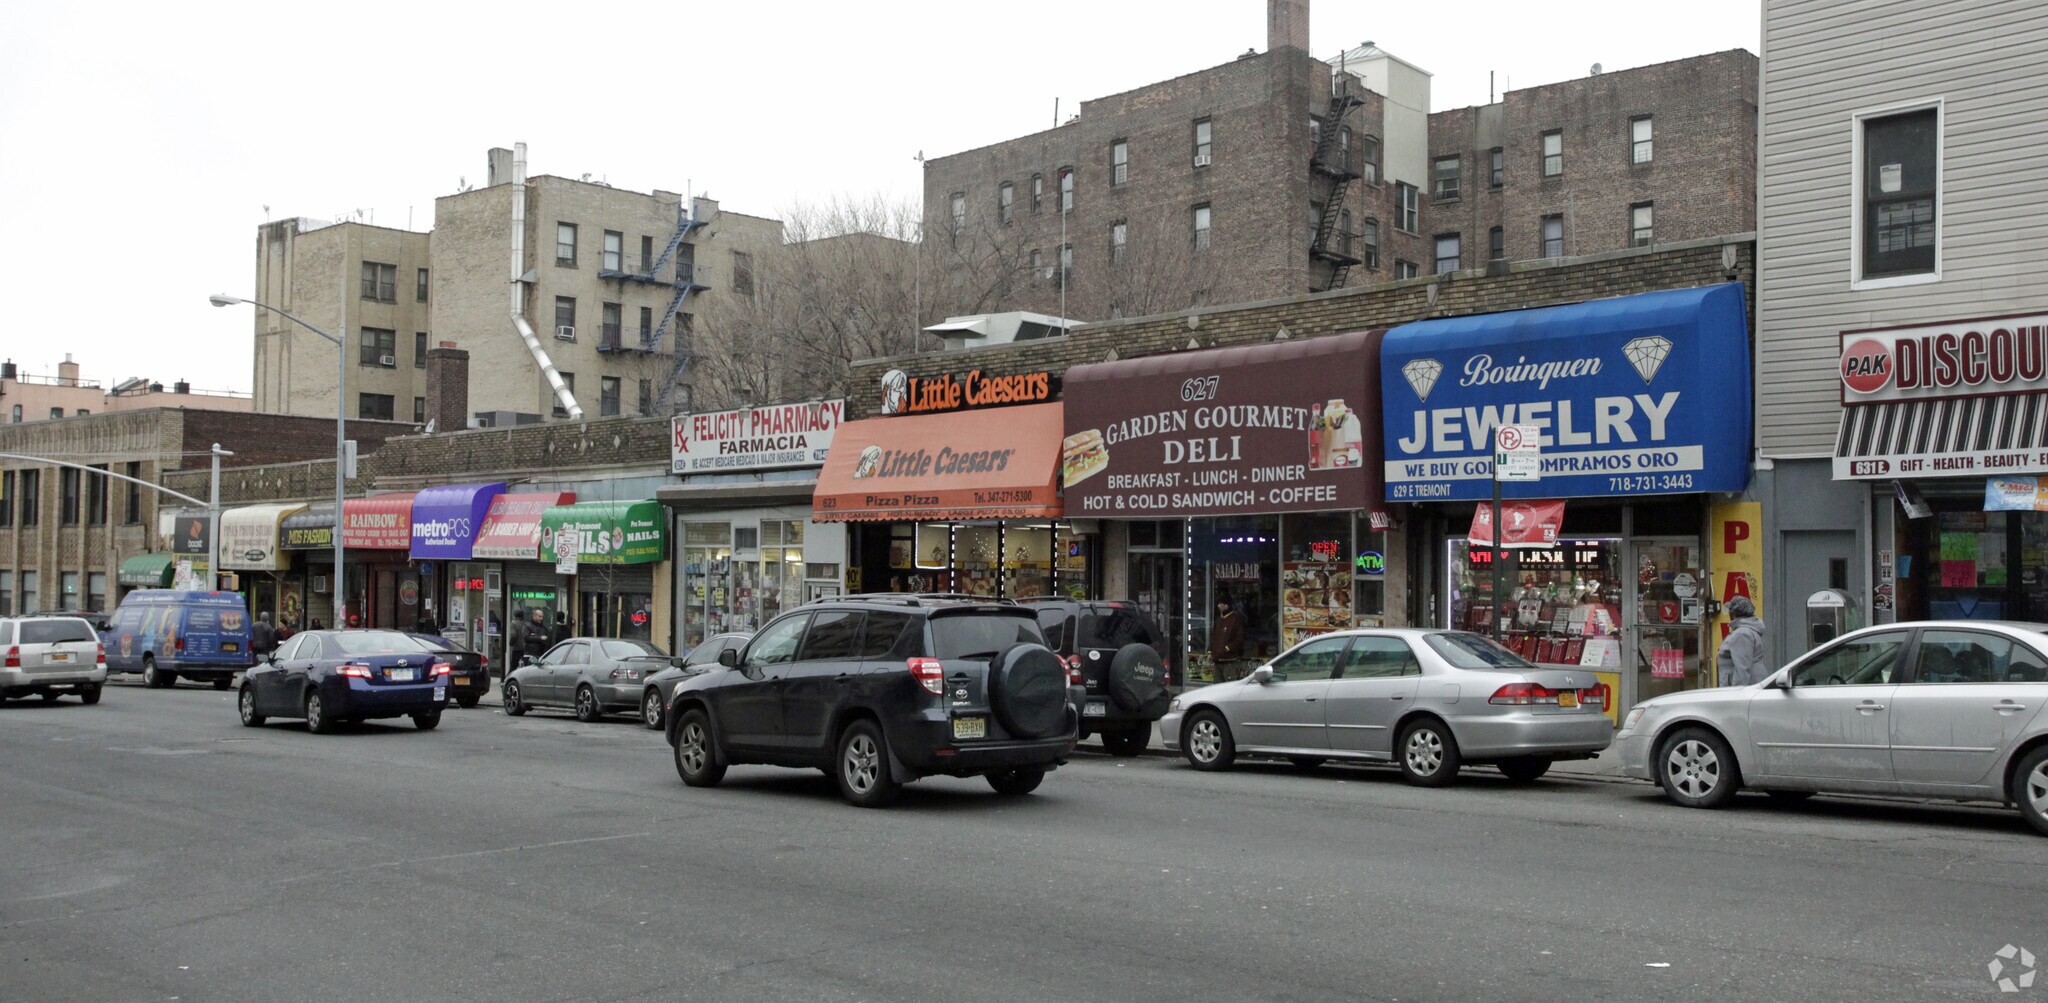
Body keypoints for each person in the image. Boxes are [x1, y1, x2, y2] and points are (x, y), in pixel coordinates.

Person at [1716, 595, 1767, 687]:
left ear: (1733, 613)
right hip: (1751, 686)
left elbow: (1742, 669)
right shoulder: (1747, 630)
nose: (1728, 613)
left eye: (1729, 610)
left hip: (1742, 689)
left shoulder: (1742, 634)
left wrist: (1737, 692)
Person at [1209, 598, 1246, 682]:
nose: (1218, 606)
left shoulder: (1235, 620)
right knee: (1218, 685)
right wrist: (1210, 651)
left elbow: (1239, 639)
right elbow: (1214, 637)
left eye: (1220, 604)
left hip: (1229, 661)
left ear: (1226, 606)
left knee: (1229, 685)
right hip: (1217, 660)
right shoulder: (1219, 620)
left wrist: (1227, 648)